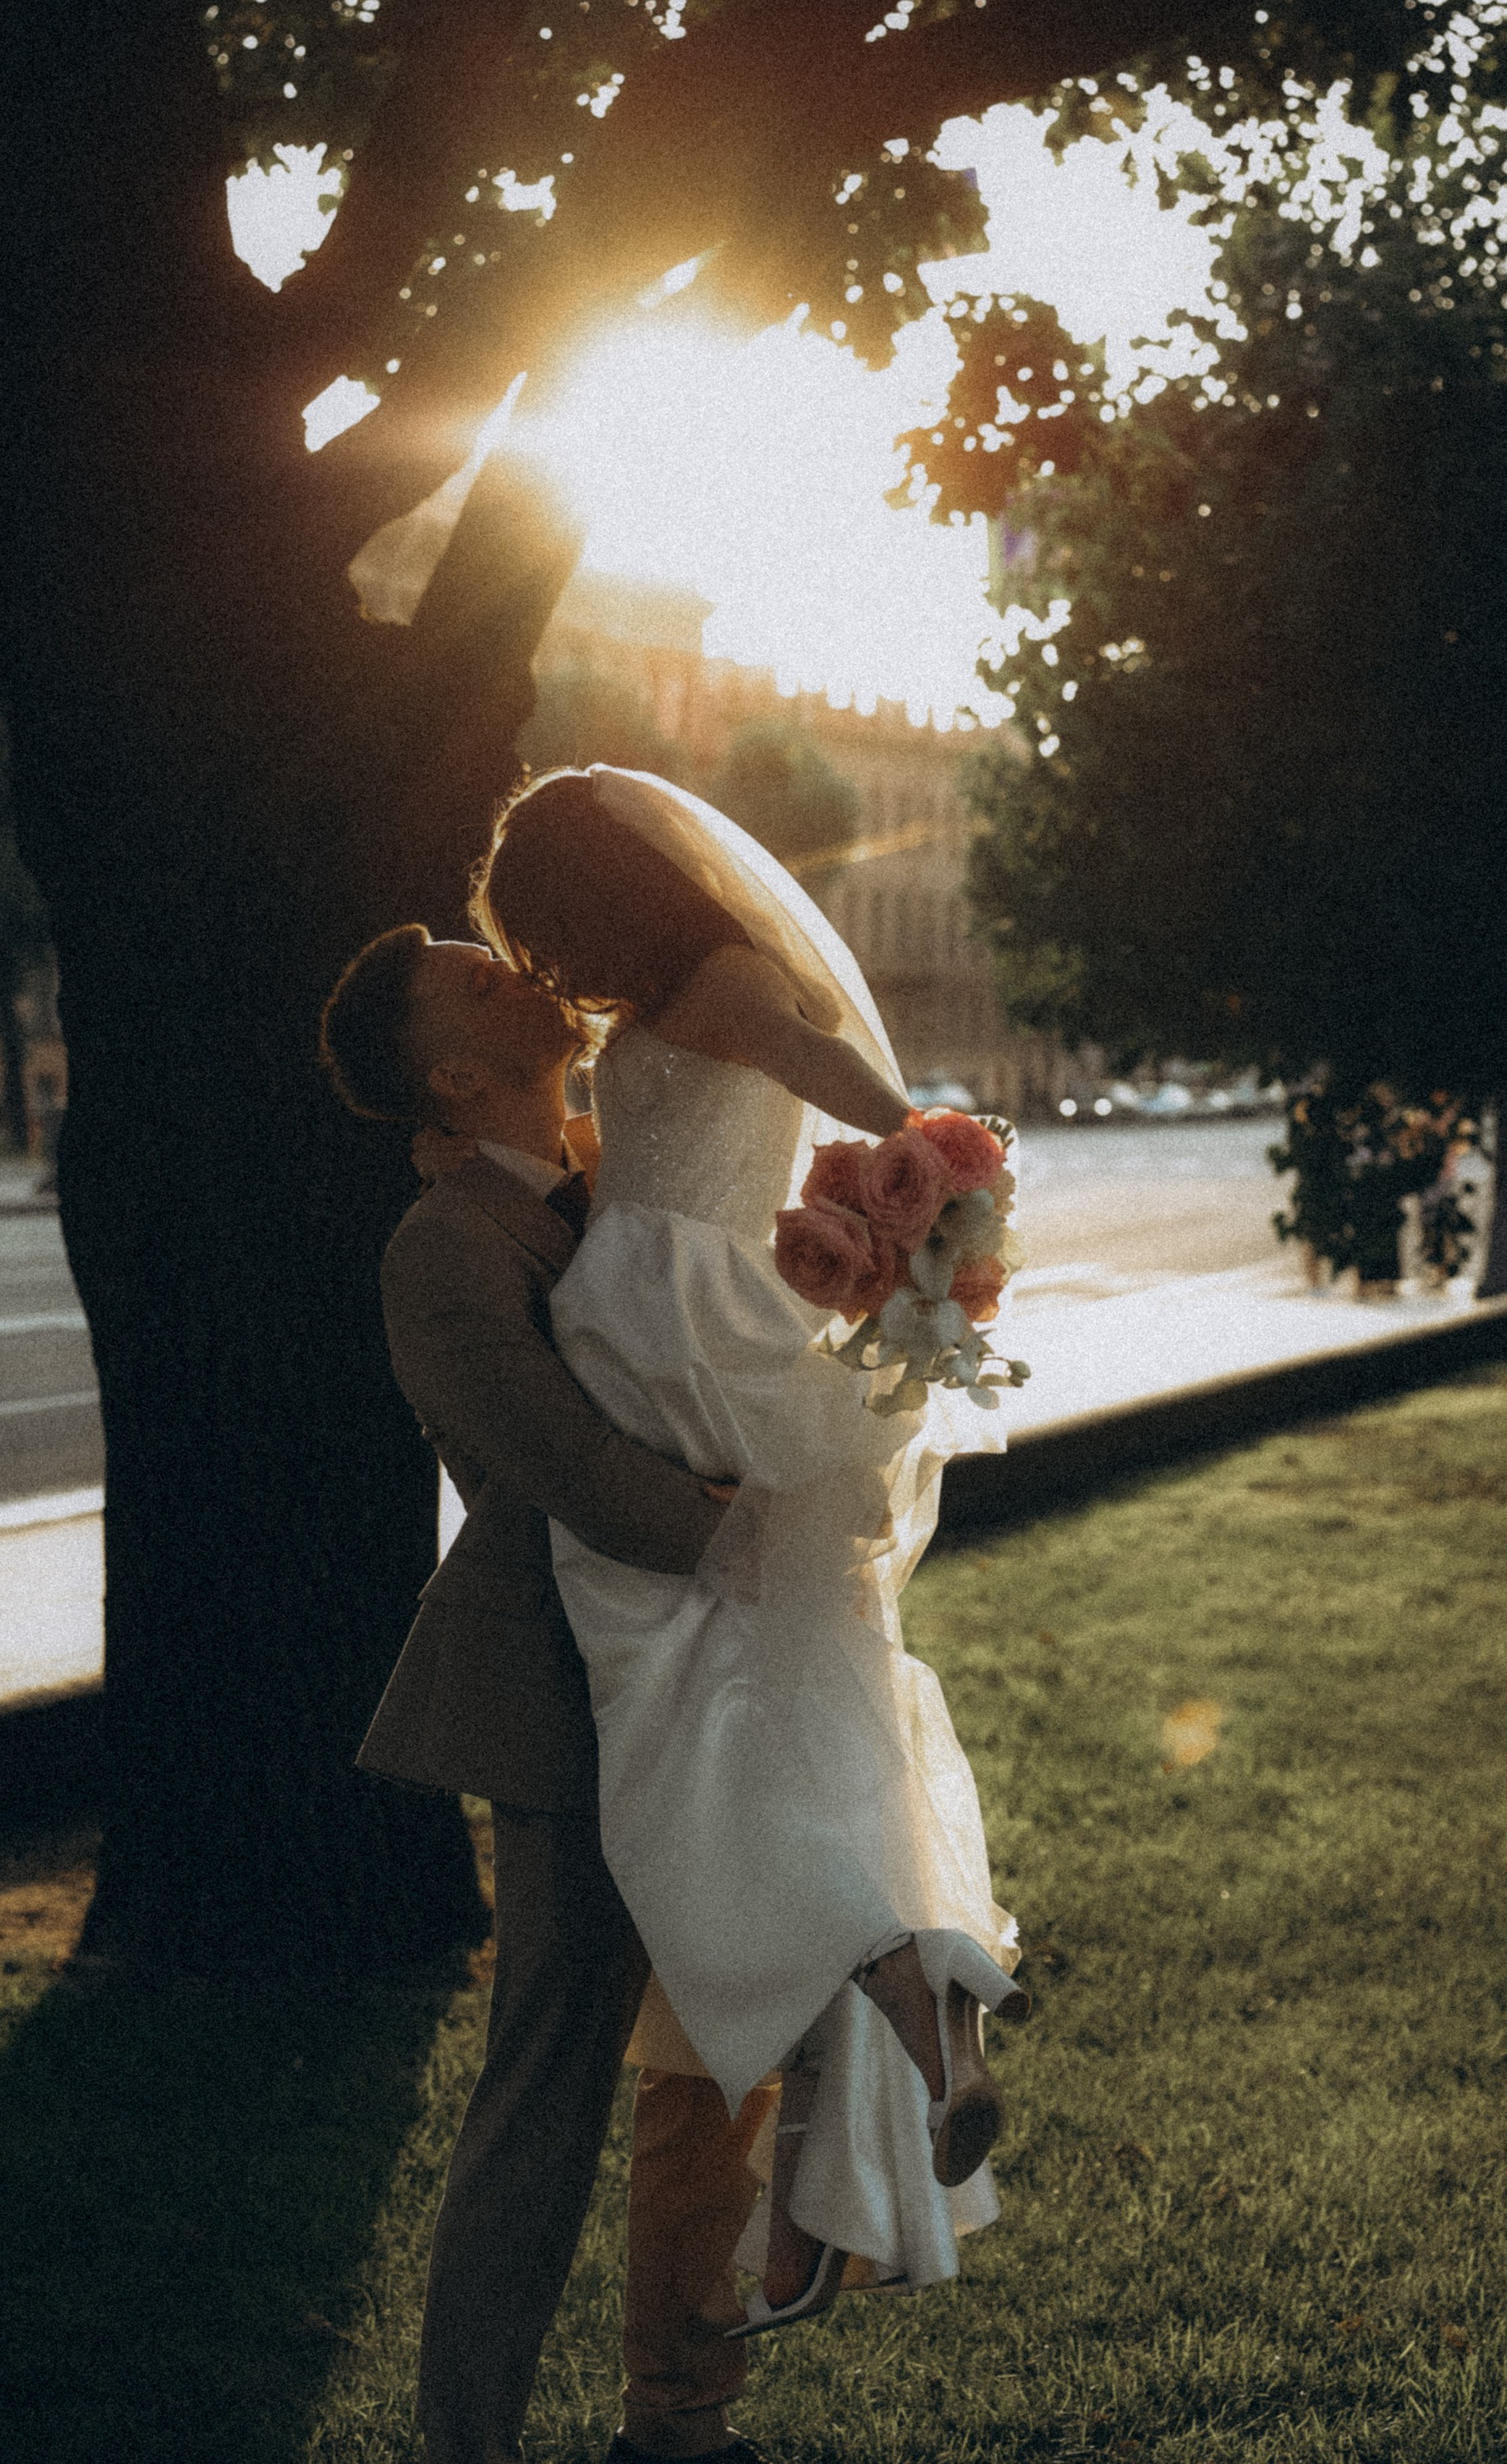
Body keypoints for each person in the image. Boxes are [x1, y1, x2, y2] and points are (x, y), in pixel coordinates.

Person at [470, 765, 1028, 2340]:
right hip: (700, 1319)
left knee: (669, 1722)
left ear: (597, 901)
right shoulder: (693, 982)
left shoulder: (713, 984)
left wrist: (928, 1184)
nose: (549, 967)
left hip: (664, 1334)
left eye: (549, 930)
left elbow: (855, 1081)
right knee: (771, 1680)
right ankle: (908, 2004)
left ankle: (866, 2004)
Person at [318, 925, 778, 2464]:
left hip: (700, 1666)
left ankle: (681, 2419)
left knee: (734, 2038)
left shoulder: (616, 1171)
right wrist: (757, 1534)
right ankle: (466, 2444)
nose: (510, 964)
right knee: (547, 2091)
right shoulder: (441, 1252)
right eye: (471, 976)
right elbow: (564, 1470)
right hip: (563, 1702)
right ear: (453, 1072)